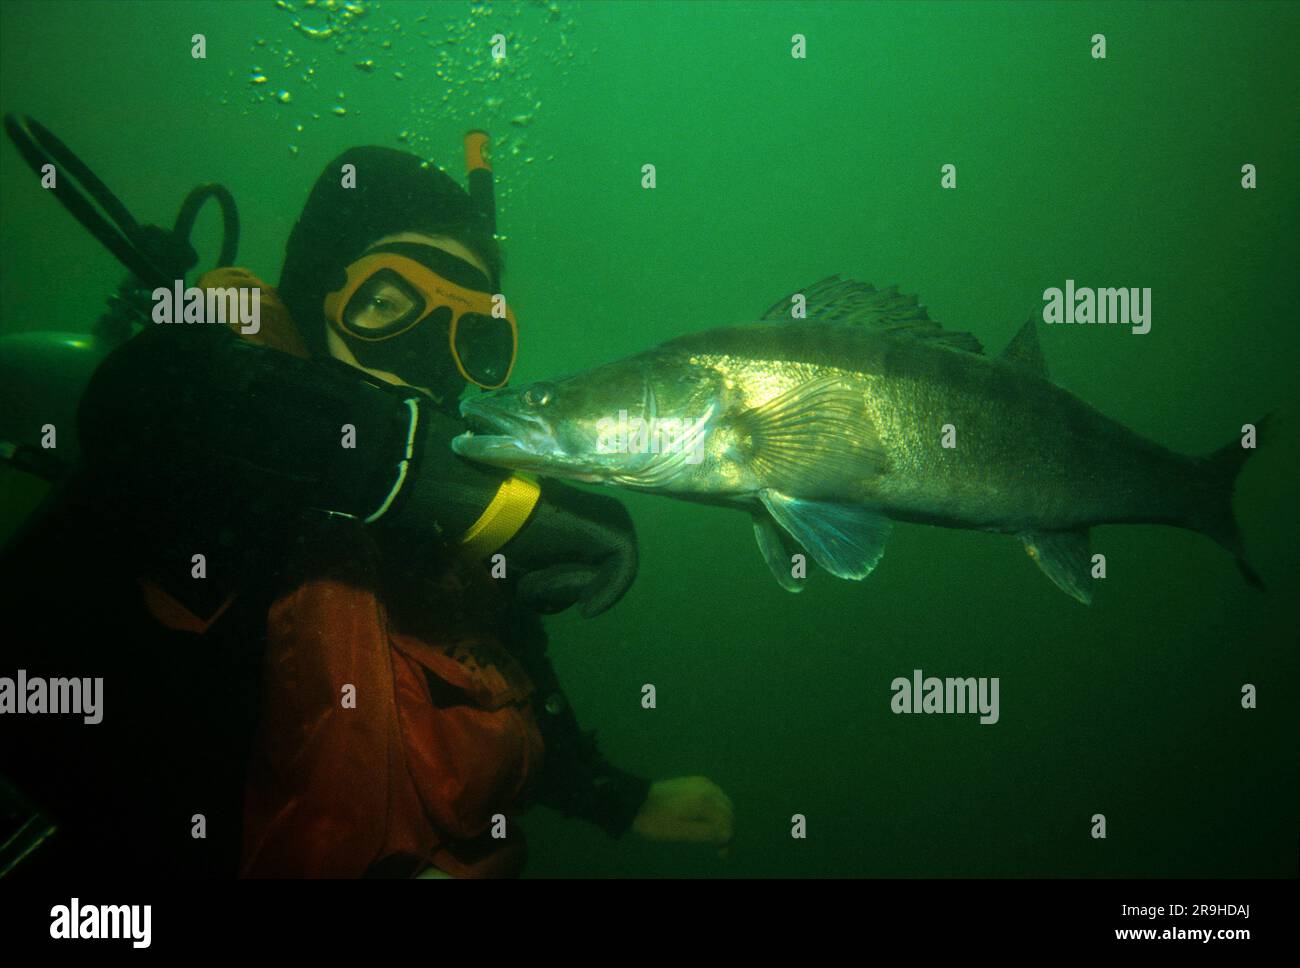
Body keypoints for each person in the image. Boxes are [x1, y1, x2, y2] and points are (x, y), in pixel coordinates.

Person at [0, 140, 733, 877]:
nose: (422, 353)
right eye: (386, 303)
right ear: (318, 295)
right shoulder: (193, 419)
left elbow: (495, 680)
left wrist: (615, 798)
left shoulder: (455, 526)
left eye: (470, 334)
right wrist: (430, 472)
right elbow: (157, 402)